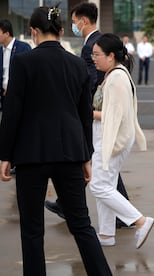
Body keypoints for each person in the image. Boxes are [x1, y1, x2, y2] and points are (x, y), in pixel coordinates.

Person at [0, 5, 112, 276]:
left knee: (32, 229)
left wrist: (5, 155)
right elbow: (84, 114)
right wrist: (86, 155)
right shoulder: (76, 65)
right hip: (70, 152)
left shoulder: (23, 63)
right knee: (81, 225)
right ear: (62, 31)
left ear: (33, 31)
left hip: (31, 154)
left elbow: (12, 111)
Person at [44, 1, 132, 229]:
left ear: (83, 20)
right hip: (96, 113)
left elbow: (92, 80)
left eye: (74, 21)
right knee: (102, 165)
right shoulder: (98, 40)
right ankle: (117, 218)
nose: (74, 25)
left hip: (93, 112)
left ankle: (129, 217)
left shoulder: (92, 46)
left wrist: (88, 109)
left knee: (95, 163)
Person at [89, 33, 154, 248]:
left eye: (97, 54)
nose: (93, 58)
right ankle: (106, 235)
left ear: (110, 56)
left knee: (99, 186)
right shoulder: (114, 74)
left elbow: (114, 115)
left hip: (112, 139)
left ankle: (140, 221)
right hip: (109, 137)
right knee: (106, 186)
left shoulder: (116, 78)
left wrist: (87, 113)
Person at [0, 19, 31, 110]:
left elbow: (29, 73)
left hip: (19, 97)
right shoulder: (1, 51)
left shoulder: (23, 48)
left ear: (7, 33)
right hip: (3, 98)